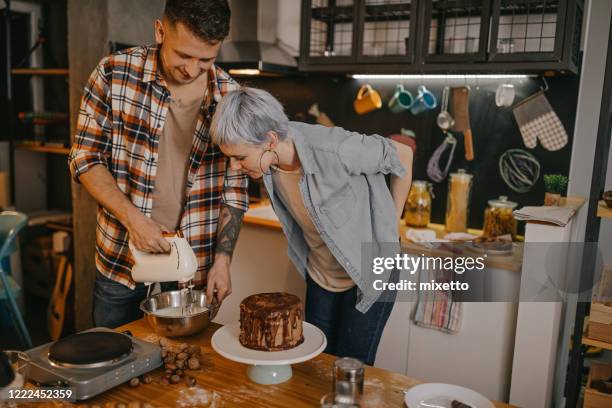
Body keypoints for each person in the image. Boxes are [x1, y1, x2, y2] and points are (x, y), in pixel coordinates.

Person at [68, 0, 248, 328]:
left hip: (191, 270)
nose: (192, 69)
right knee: (114, 364)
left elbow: (234, 192)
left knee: (182, 369)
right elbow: (85, 158)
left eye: (205, 59)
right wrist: (134, 220)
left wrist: (223, 260)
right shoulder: (113, 74)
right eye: (183, 55)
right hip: (122, 260)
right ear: (160, 31)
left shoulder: (229, 96)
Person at [209, 87, 413, 365]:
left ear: (270, 139)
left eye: (240, 158)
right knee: (313, 366)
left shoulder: (335, 148)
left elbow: (402, 154)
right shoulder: (270, 161)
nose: (234, 167)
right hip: (321, 275)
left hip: (369, 272)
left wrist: (391, 225)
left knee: (349, 369)